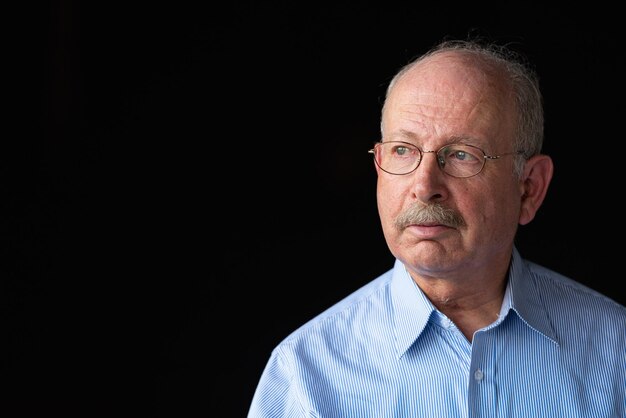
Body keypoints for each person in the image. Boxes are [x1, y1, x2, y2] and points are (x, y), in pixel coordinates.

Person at [247, 38, 626, 417]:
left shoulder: (616, 351)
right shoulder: (305, 374)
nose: (425, 187)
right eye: (403, 150)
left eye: (461, 155)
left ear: (529, 188)